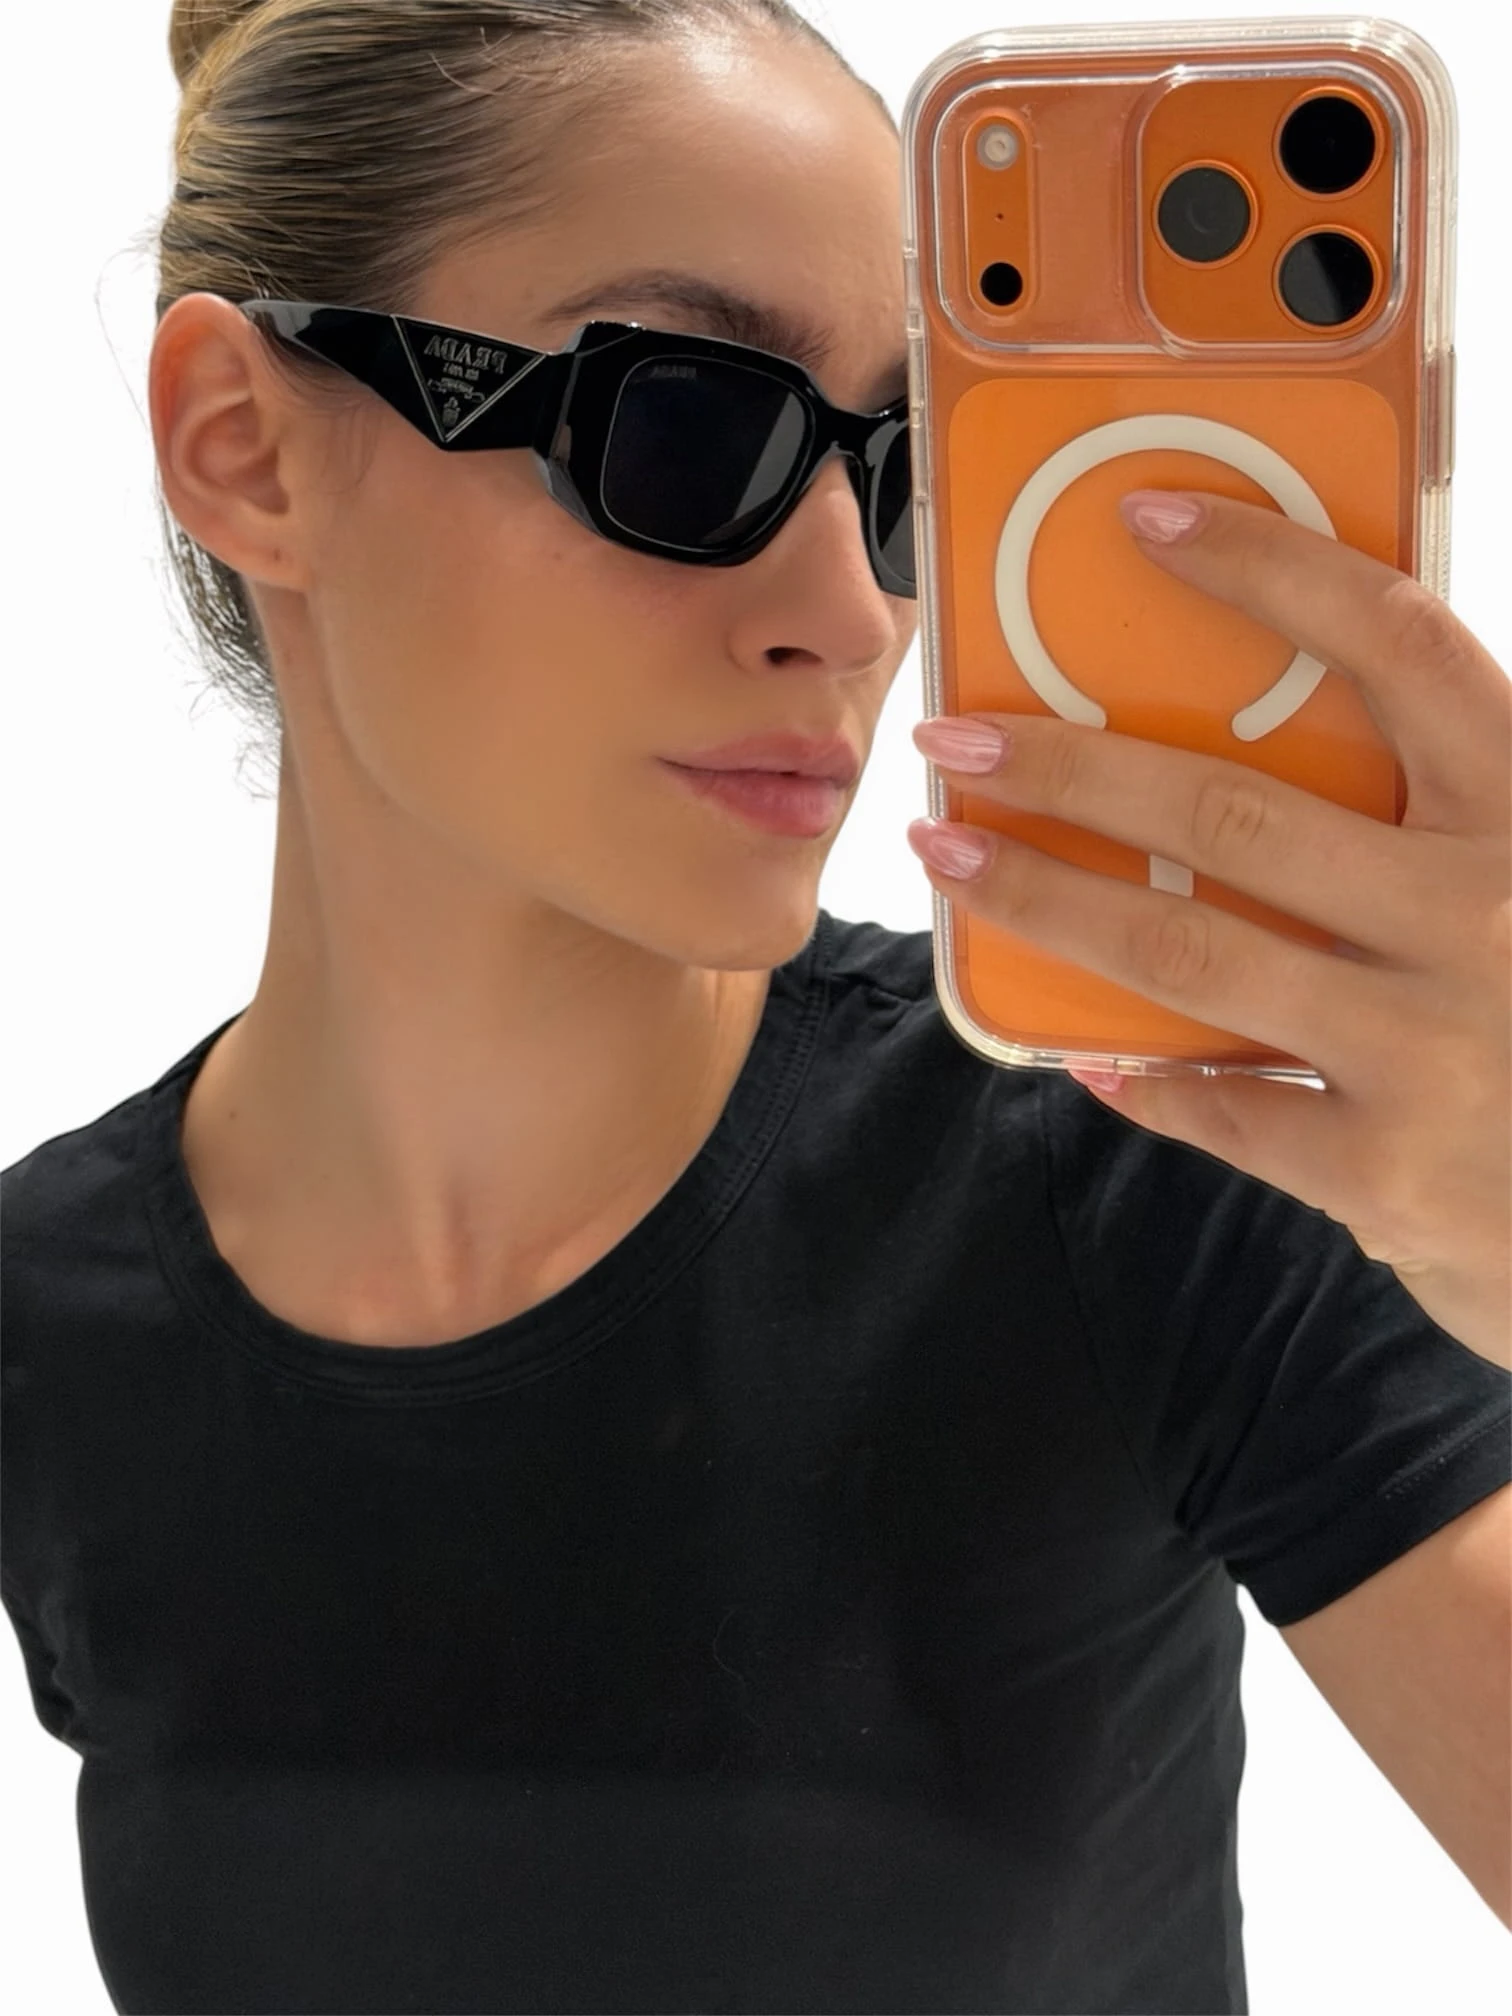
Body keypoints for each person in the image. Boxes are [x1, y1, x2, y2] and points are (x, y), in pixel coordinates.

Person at [2, 3, 1507, 2013]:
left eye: (905, 477)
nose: (855, 612)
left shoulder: (1130, 1168)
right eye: (684, 427)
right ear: (243, 445)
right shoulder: (46, 1324)